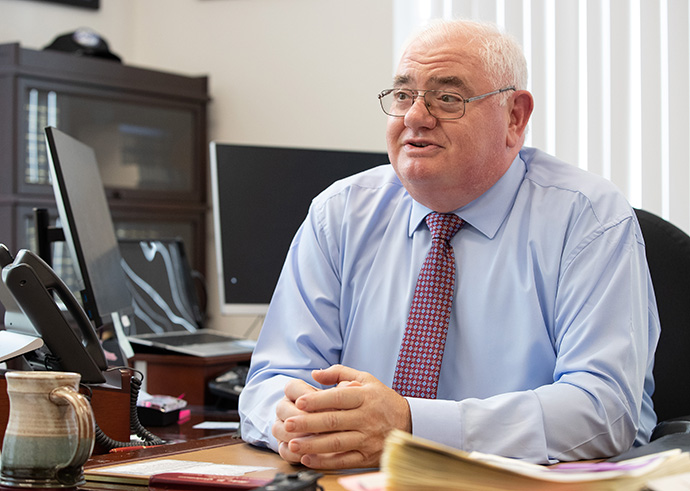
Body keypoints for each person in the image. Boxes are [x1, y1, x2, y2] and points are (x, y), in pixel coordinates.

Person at [238, 18, 660, 470]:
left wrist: (410, 426)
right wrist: (299, 425)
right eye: (403, 95)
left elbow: (603, 408)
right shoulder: (340, 214)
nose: (416, 117)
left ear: (514, 117)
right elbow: (270, 382)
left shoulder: (587, 217)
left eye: (448, 98)